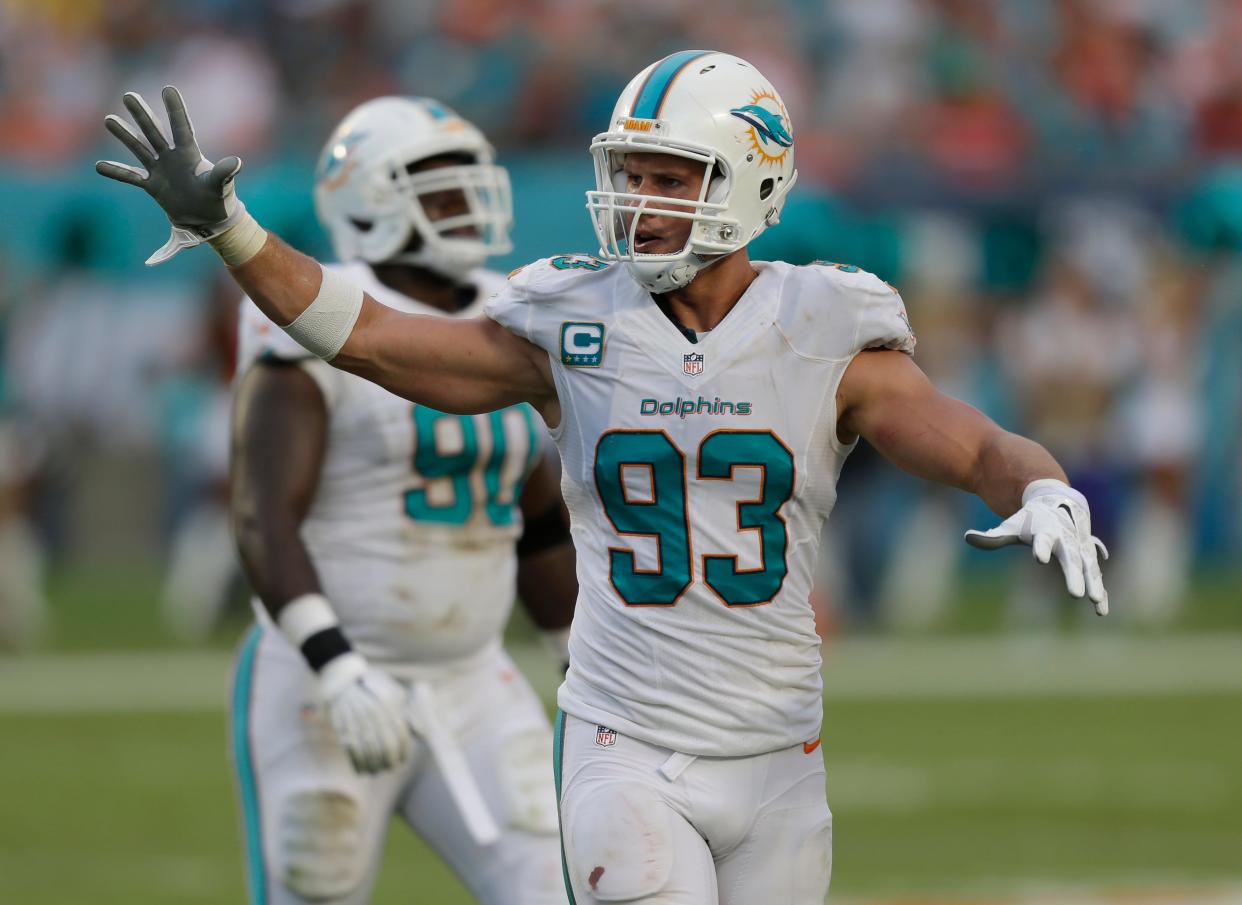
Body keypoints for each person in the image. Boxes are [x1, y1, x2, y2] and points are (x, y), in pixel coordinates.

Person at [98, 51, 1109, 905]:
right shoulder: (572, 318)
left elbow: (975, 444)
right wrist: (233, 230)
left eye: (674, 177)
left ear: (750, 182)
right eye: (634, 171)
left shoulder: (825, 325)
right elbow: (373, 340)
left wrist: (1042, 486)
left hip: (783, 759)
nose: (642, 201)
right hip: (625, 742)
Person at [229, 96, 575, 904]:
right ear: (370, 200)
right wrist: (334, 662)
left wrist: (578, 657)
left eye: (473, 182)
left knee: (567, 888)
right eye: (441, 187)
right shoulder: (315, 311)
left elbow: (535, 519)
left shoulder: (515, 310)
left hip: (471, 675)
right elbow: (262, 513)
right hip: (327, 682)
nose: (471, 203)